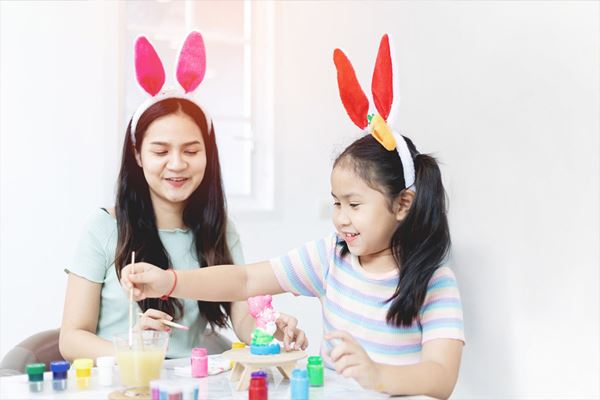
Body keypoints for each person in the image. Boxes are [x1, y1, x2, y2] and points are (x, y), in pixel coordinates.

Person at [119, 35, 464, 398]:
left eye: (354, 205)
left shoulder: (434, 281)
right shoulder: (331, 257)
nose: (341, 219)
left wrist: (377, 375)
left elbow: (441, 377)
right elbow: (245, 280)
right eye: (336, 204)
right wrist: (169, 281)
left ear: (403, 204)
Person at [59, 31, 306, 361]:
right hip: (120, 381)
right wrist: (133, 351)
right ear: (137, 154)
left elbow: (243, 320)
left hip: (190, 383)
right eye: (161, 151)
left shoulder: (220, 230)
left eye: (191, 150)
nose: (177, 164)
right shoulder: (104, 227)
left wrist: (271, 329)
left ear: (208, 154)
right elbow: (71, 339)